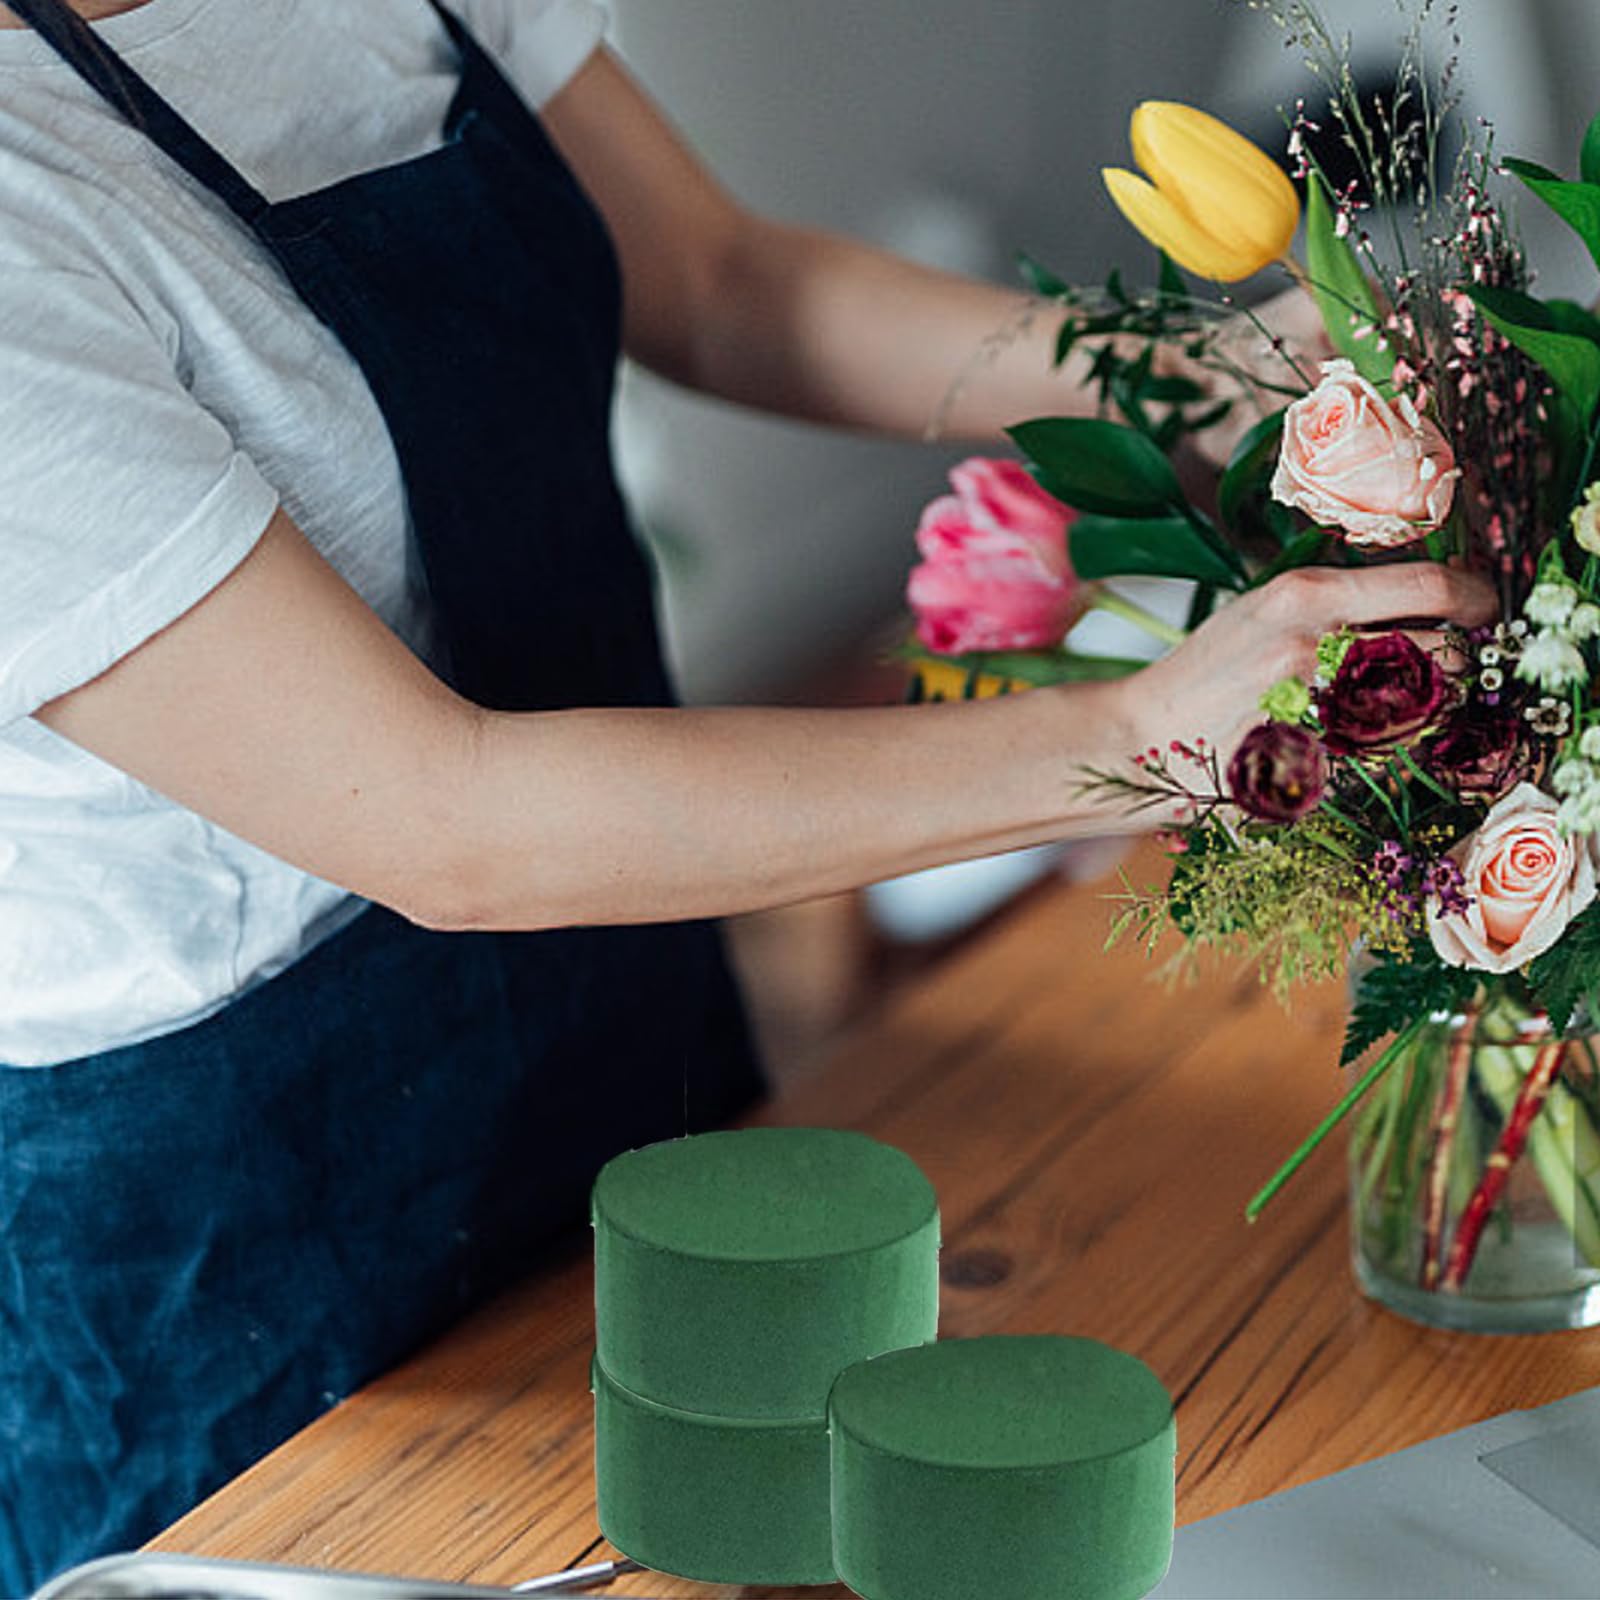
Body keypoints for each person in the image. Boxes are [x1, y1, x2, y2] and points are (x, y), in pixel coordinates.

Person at [0, 0, 1494, 1588]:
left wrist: (1196, 382)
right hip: (245, 1198)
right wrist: (1143, 737)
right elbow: (443, 816)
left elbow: (720, 285)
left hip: (613, 961)